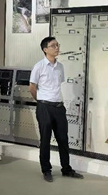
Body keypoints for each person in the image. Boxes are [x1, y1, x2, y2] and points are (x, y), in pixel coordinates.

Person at [29, 37, 84, 182]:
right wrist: (41, 101)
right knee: (45, 140)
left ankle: (66, 169)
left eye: (57, 45)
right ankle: (46, 170)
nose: (57, 47)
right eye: (53, 45)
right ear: (45, 49)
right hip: (44, 107)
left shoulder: (60, 67)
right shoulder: (39, 66)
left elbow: (58, 85)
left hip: (59, 107)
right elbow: (32, 87)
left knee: (63, 139)